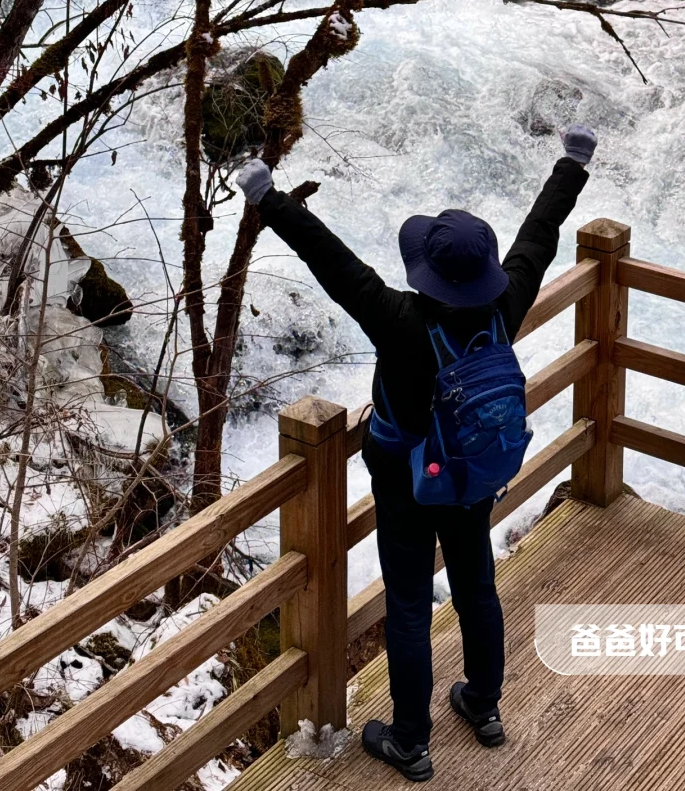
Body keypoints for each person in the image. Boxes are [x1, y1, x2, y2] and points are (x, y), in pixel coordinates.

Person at [236, 124, 598, 782]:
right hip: (472, 474)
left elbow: (333, 261)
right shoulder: (503, 308)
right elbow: (540, 235)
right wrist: (572, 163)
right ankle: (483, 707)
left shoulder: (398, 320)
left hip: (405, 481)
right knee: (476, 585)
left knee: (407, 603)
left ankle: (410, 740)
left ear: (427, 275)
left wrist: (268, 198)